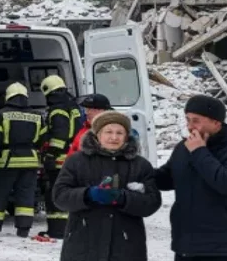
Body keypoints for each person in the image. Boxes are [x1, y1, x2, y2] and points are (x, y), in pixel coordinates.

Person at [155, 95, 227, 261]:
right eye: (187, 120)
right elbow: (167, 178)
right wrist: (134, 171)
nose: (189, 126)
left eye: (196, 121)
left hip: (221, 246)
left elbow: (226, 183)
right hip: (186, 243)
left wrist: (199, 152)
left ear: (216, 122)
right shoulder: (185, 147)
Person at [52, 111, 161, 260]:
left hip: (126, 246)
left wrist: (124, 198)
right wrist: (88, 194)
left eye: (119, 133)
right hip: (83, 244)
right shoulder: (76, 161)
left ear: (126, 136)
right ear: (97, 134)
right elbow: (59, 196)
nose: (114, 137)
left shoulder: (140, 165)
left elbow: (152, 202)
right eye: (108, 132)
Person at [0, 83, 46, 237]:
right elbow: (42, 139)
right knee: (26, 195)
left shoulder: (1, 115)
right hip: (31, 161)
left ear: (8, 96)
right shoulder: (37, 116)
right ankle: (23, 229)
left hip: (7, 161)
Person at [39, 74, 83, 238]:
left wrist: (50, 154)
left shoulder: (58, 109)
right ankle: (68, 228)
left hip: (59, 159)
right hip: (73, 156)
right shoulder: (73, 106)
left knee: (55, 194)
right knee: (69, 193)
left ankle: (57, 230)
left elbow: (60, 134)